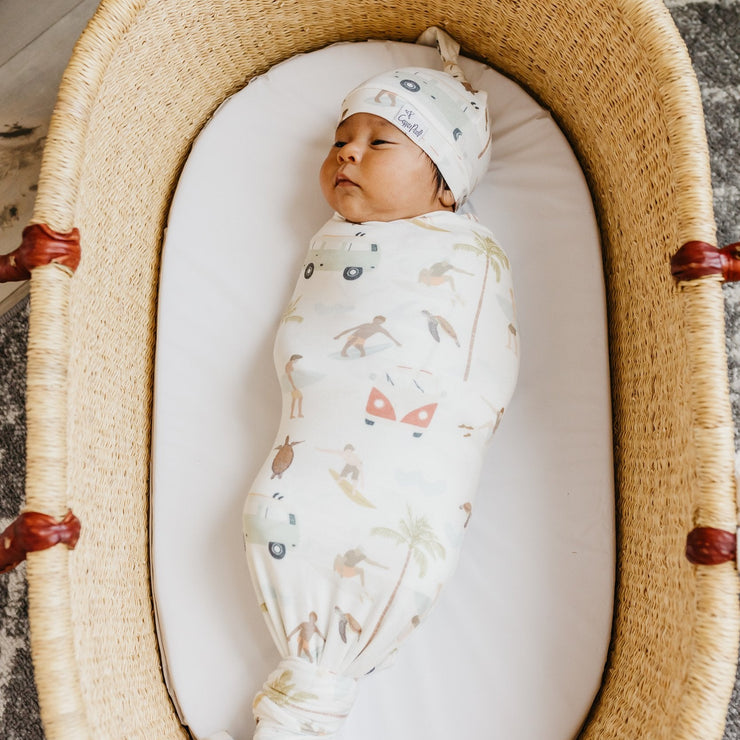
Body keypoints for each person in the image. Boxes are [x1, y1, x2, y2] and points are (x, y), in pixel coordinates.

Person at [243, 27, 519, 739]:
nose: (347, 153)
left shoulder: (465, 253)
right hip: (320, 430)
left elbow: (471, 368)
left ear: (444, 183)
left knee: (380, 532)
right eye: (342, 140)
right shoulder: (336, 238)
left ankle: (316, 687)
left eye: (380, 142)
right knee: (277, 506)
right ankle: (311, 685)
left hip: (405, 451)